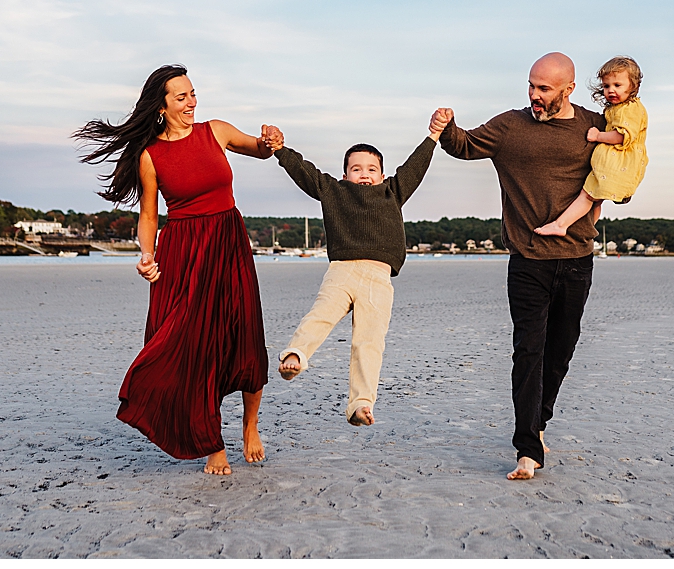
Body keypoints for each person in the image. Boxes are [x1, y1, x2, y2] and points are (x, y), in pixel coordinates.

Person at [74, 64, 280, 476]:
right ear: (162, 105)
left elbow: (257, 148)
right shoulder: (151, 156)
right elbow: (148, 215)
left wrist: (270, 141)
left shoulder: (215, 131)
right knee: (195, 348)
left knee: (245, 334)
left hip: (229, 241)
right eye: (182, 97)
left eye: (193, 94)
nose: (192, 103)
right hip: (185, 251)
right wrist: (146, 256)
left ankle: (250, 424)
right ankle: (212, 442)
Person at [433, 52, 604, 480]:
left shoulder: (592, 127)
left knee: (560, 354)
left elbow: (622, 171)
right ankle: (527, 448)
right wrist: (445, 127)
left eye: (544, 89)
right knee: (528, 352)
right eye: (531, 85)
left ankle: (539, 421)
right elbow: (465, 145)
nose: (535, 95)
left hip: (578, 258)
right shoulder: (511, 126)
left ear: (568, 88)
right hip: (528, 262)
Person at [270, 115, 445, 427]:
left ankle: (361, 404)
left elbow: (415, 167)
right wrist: (281, 150)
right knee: (320, 316)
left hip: (379, 278)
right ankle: (294, 356)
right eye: (356, 169)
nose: (364, 174)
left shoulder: (393, 190)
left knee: (370, 340)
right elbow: (305, 172)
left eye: (371, 169)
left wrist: (432, 137)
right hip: (342, 271)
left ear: (382, 174)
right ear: (345, 174)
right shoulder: (334, 191)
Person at [534, 56, 648, 237]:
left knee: (587, 195)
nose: (611, 91)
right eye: (606, 86)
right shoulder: (620, 107)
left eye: (617, 85)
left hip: (616, 165)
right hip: (614, 164)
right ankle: (588, 229)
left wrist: (598, 136)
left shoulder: (631, 109)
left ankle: (561, 224)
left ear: (633, 86)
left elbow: (621, 136)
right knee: (596, 200)